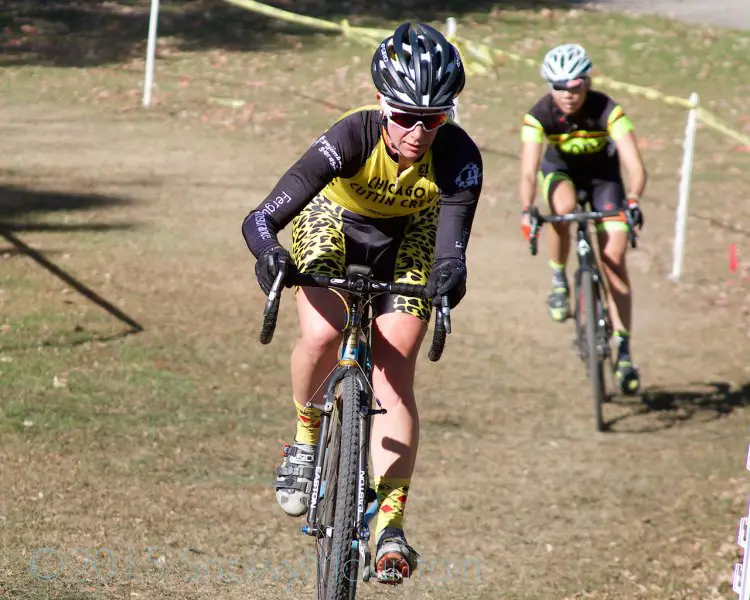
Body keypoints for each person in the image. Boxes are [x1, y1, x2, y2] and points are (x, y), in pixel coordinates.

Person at [241, 22, 483, 583]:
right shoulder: (349, 137)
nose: (418, 133)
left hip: (411, 236)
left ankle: (390, 522)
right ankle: (304, 441)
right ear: (382, 103)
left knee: (395, 368)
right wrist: (269, 256)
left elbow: (452, 253)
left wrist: (450, 280)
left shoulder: (459, 157)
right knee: (324, 335)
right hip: (335, 221)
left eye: (434, 119)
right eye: (404, 116)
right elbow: (261, 219)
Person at [518, 43, 647, 395]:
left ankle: (623, 347)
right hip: (561, 175)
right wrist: (527, 208)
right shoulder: (539, 115)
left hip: (605, 181)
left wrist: (633, 199)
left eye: (575, 86)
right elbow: (529, 172)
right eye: (559, 87)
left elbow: (635, 166)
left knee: (614, 259)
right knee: (562, 211)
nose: (568, 95)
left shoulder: (608, 109)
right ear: (549, 87)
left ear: (587, 82)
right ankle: (560, 278)